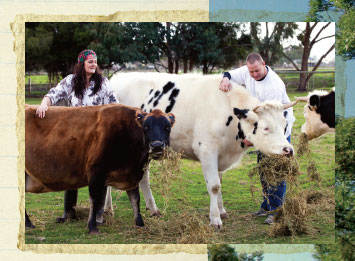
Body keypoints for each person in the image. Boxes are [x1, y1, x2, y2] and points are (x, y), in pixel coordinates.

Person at [36, 49, 118, 222]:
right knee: (71, 171)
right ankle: (69, 212)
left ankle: (98, 214)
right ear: (81, 64)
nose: (94, 64)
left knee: (98, 173)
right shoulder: (71, 81)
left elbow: (114, 105)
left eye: (95, 61)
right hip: (75, 136)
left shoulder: (103, 83)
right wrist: (44, 104)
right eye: (90, 61)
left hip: (97, 136)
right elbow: (54, 93)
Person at [219, 53, 295, 224]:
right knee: (263, 169)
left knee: (275, 171)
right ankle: (267, 205)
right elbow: (230, 74)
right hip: (263, 128)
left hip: (277, 130)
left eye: (256, 71)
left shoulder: (273, 86)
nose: (253, 75)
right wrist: (225, 79)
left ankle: (276, 211)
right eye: (251, 72)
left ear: (264, 64)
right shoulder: (248, 71)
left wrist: (252, 139)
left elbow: (270, 119)